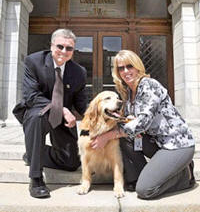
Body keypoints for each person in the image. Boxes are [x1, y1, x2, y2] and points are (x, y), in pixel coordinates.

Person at [90, 49, 195, 199]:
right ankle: (136, 177)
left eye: (129, 66)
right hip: (155, 142)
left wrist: (108, 135)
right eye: (121, 68)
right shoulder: (128, 92)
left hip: (176, 145)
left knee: (145, 190)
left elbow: (143, 123)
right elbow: (131, 123)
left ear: (137, 66)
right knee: (123, 138)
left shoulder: (149, 85)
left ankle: (185, 175)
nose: (125, 71)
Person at [13, 29, 87, 198]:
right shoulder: (34, 61)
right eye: (60, 46)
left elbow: (82, 105)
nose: (64, 51)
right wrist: (62, 109)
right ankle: (36, 178)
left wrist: (101, 116)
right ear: (52, 45)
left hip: (62, 120)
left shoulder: (79, 72)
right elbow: (31, 96)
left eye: (69, 48)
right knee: (37, 118)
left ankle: (32, 154)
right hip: (37, 111)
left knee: (71, 162)